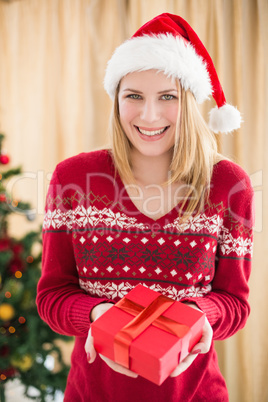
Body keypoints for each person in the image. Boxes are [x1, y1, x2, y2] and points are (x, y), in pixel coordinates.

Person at [37, 13, 254, 401]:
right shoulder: (72, 178)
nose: (149, 115)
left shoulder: (228, 184)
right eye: (133, 96)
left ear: (188, 101)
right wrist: (97, 315)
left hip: (196, 394)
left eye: (167, 97)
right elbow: (53, 296)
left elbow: (235, 302)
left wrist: (202, 314)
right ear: (116, 99)